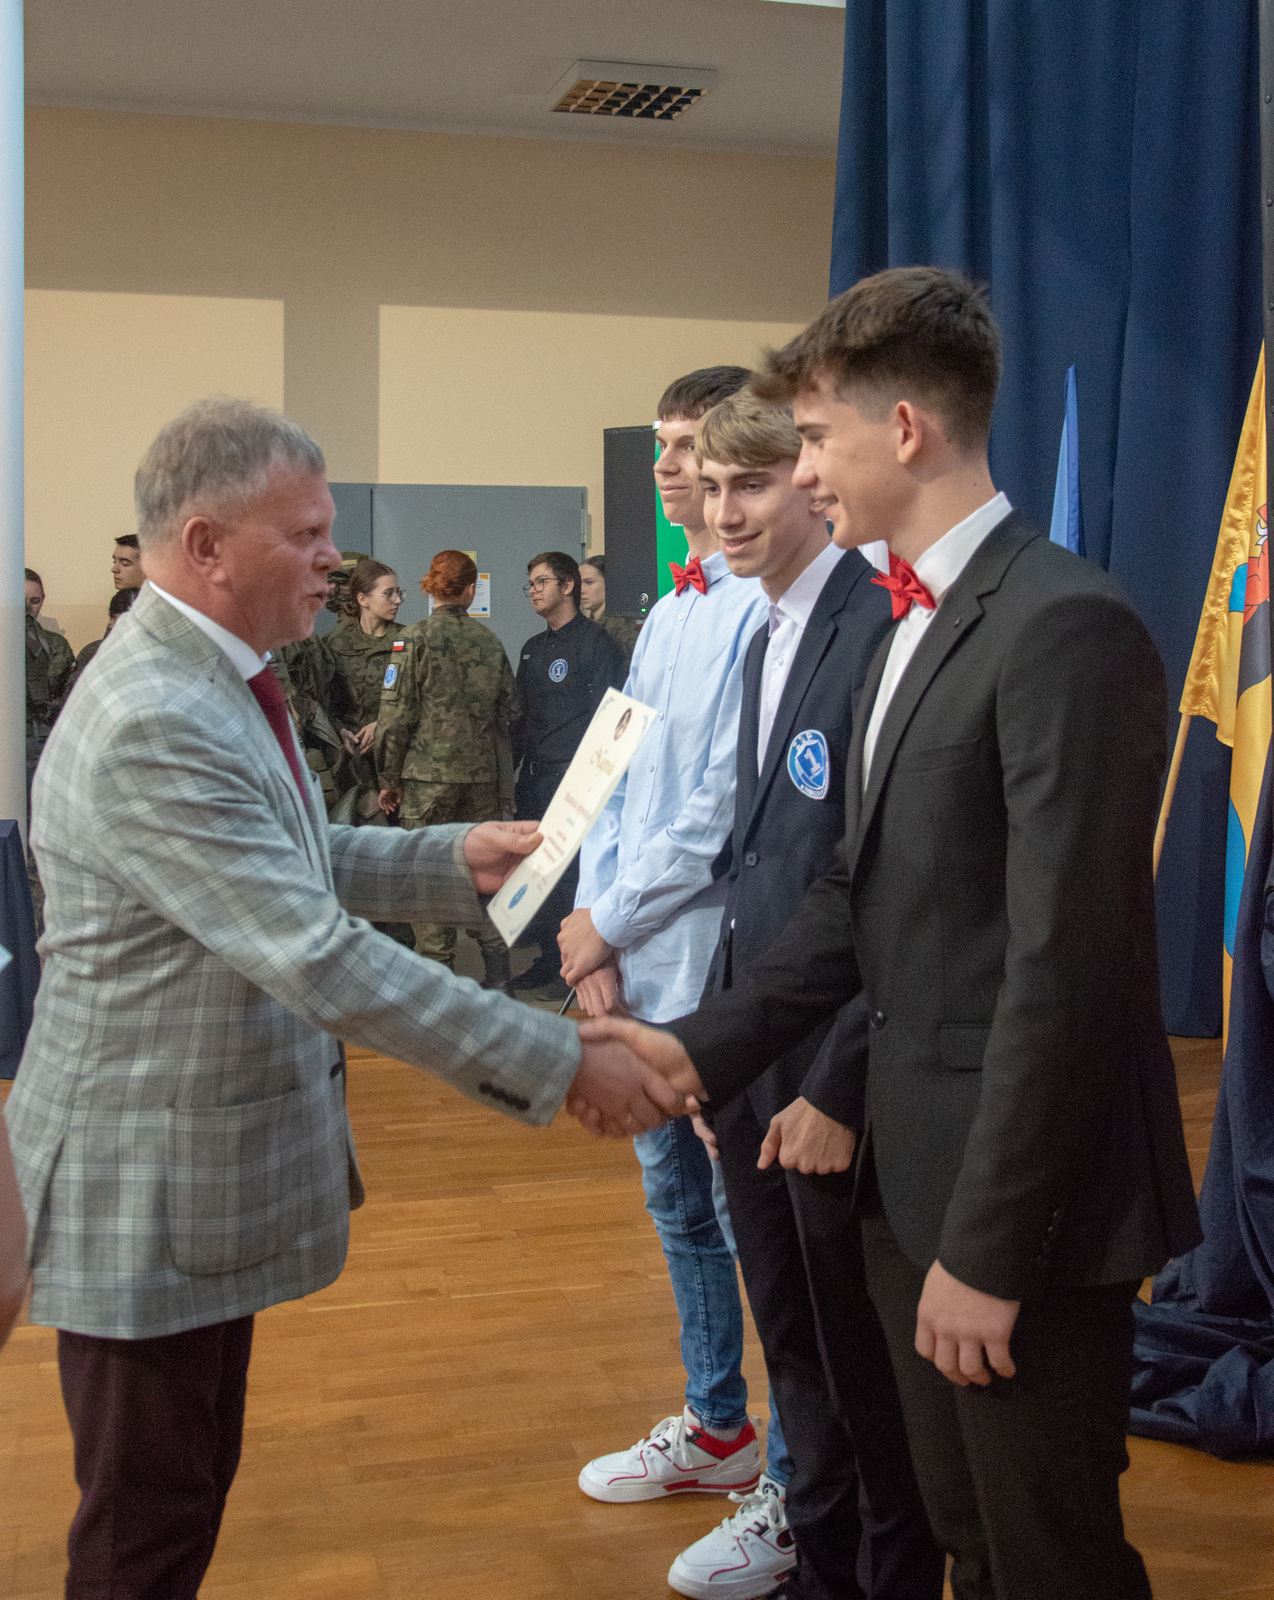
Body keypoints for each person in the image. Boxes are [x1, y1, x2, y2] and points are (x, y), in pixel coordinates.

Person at [578, 269, 1203, 1600]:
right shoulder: (908, 627)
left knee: (1045, 1559)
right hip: (904, 1188)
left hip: (1018, 1214)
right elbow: (852, 905)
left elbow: (1068, 975)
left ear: (903, 430)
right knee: (960, 1531)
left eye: (812, 439)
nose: (801, 472)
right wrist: (691, 1050)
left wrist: (987, 1249)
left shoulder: (1062, 626)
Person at [5, 396, 680, 1600]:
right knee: (141, 1530)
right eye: (306, 535)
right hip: (143, 1181)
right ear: (207, 545)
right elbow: (315, 954)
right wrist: (563, 1057)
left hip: (188, 1172)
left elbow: (280, 851)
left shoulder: (205, 672)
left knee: (178, 1497)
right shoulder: (156, 711)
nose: (334, 560)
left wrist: (447, 857)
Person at [666, 389, 937, 1600]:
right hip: (755, 1057)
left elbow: (887, 887)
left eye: (754, 484)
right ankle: (817, 1572)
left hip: (832, 1067)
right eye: (711, 487)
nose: (726, 512)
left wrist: (837, 1085)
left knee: (861, 1374)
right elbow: (753, 867)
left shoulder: (875, 624)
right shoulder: (755, 633)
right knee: (794, 1355)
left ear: (808, 483)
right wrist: (715, 1055)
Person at [560, 368, 788, 1524]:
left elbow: (721, 807)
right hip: (633, 962)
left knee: (757, 1226)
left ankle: (794, 1475)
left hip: (717, 963)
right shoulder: (669, 608)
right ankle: (716, 1424)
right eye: (659, 443)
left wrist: (614, 918)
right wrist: (590, 932)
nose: (664, 464)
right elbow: (611, 774)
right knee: (677, 1206)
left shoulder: (765, 606)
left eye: (687, 443)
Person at [376, 549, 520, 991]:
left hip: (426, 784)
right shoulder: (489, 642)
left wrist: (388, 778)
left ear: (430, 586)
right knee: (484, 876)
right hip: (481, 782)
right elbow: (511, 711)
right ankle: (499, 974)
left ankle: (437, 980)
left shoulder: (412, 640)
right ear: (471, 590)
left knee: (429, 876)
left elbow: (394, 718)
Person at [510, 550, 627, 998]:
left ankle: (576, 967)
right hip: (535, 778)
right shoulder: (532, 648)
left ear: (568, 586)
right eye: (531, 585)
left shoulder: (597, 644)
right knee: (539, 873)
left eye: (542, 582)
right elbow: (520, 720)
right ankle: (546, 958)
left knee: (575, 877)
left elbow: (609, 717)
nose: (533, 591)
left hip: (576, 780)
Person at [326, 558, 405, 823]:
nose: (397, 600)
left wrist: (383, 723)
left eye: (398, 593)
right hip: (353, 766)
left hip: (398, 764)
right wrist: (340, 730)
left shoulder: (410, 642)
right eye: (388, 593)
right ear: (363, 599)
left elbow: (427, 704)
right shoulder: (335, 644)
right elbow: (327, 704)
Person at [24, 567, 75, 804]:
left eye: (34, 601)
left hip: (44, 741)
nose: (27, 609)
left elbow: (67, 697)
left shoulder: (55, 645)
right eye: (20, 601)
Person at [579, 553, 642, 668]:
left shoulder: (625, 625)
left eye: (589, 582)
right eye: (579, 583)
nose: (581, 590)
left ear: (610, 583)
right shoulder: (584, 623)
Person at [69, 585, 137, 687]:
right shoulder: (92, 652)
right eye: (115, 620)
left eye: (127, 621)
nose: (119, 627)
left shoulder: (155, 652)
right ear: (110, 619)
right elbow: (73, 691)